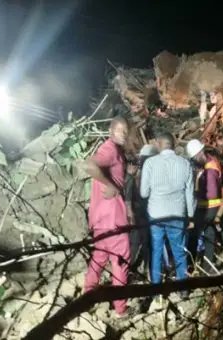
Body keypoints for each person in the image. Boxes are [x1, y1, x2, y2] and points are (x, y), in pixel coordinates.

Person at [83, 115, 133, 317]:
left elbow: (113, 174)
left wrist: (120, 177)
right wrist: (110, 185)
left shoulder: (116, 152)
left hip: (100, 219)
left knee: (99, 258)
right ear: (111, 131)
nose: (125, 134)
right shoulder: (110, 149)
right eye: (121, 130)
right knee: (121, 260)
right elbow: (89, 165)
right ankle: (120, 308)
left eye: (126, 131)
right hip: (113, 220)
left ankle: (86, 298)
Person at [141, 132, 195, 287]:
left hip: (156, 215)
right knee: (179, 252)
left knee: (156, 250)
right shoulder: (185, 164)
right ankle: (183, 289)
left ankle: (157, 288)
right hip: (177, 215)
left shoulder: (150, 164)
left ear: (159, 144)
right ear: (173, 144)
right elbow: (189, 194)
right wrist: (190, 217)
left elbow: (144, 193)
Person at [186, 139, 222, 272]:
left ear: (200, 153)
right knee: (209, 234)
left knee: (195, 234)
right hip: (207, 206)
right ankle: (207, 265)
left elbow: (211, 193)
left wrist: (195, 193)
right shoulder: (208, 164)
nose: (194, 160)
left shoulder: (210, 169)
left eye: (195, 157)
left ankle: (191, 264)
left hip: (208, 207)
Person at [125, 144, 158, 277]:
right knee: (138, 242)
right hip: (140, 213)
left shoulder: (138, 173)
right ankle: (127, 269)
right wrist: (131, 214)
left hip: (141, 212)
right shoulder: (139, 175)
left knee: (141, 242)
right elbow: (130, 197)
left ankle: (135, 268)